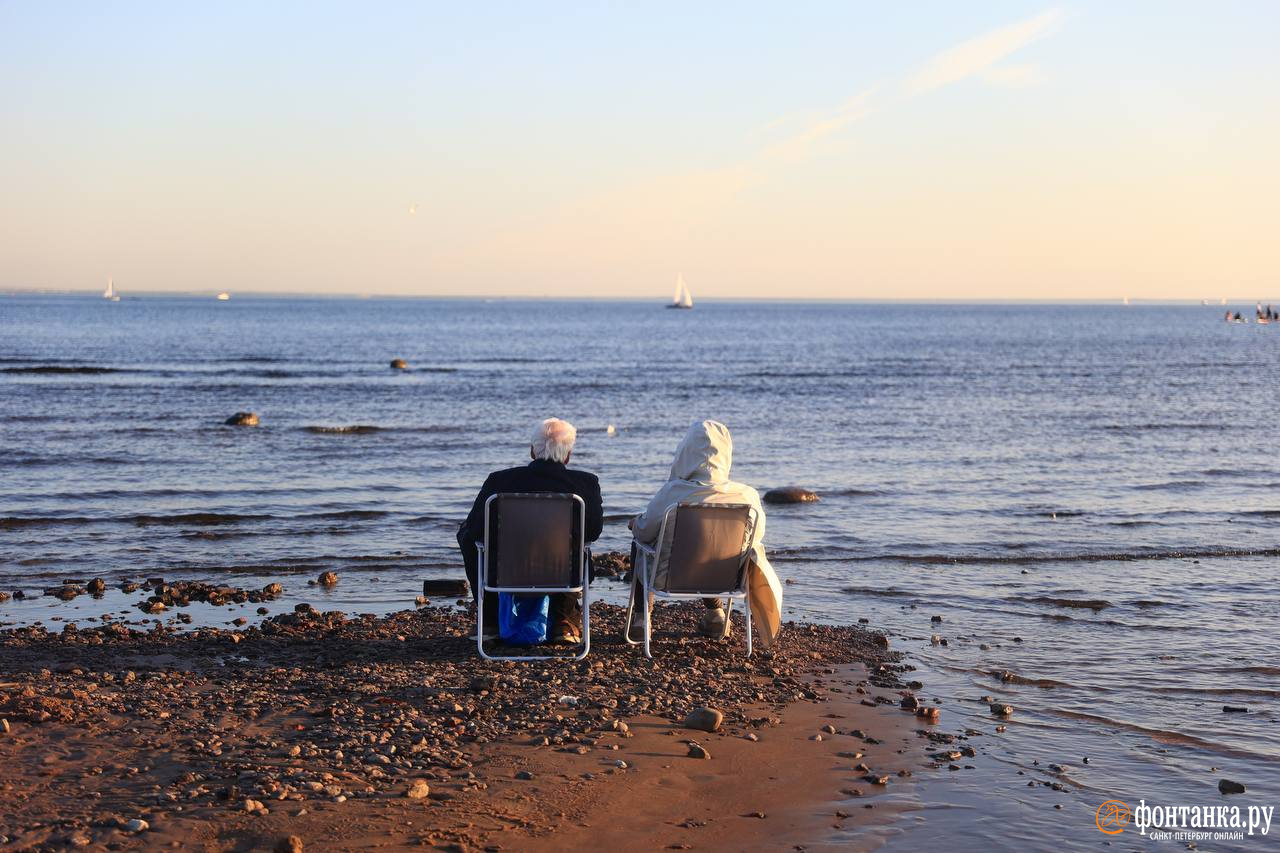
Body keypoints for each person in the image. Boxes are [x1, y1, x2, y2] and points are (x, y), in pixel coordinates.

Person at [628, 419, 782, 643]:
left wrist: (636, 524)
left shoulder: (673, 492)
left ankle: (642, 618)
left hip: (670, 577)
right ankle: (716, 614)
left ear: (686, 453)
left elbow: (644, 533)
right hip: (727, 578)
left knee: (639, 545)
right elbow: (755, 538)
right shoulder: (747, 496)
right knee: (715, 546)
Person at [458, 418, 603, 643]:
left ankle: (490, 622)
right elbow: (593, 532)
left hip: (503, 573)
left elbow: (477, 531)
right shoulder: (586, 484)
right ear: (568, 455)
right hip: (565, 574)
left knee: (467, 535)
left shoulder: (499, 481)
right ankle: (564, 623)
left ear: (532, 451)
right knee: (576, 543)